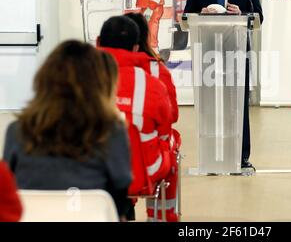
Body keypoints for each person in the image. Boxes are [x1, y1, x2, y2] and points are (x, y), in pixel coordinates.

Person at [3, 41, 132, 219]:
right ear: (97, 82)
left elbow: (9, 188)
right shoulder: (111, 130)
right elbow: (120, 192)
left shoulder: (17, 130)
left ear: (44, 79)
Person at [184, 0, 263, 171]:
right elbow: (187, 17)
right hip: (207, 52)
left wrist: (243, 14)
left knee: (237, 105)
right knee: (208, 105)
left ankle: (241, 156)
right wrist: (202, 13)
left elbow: (258, 17)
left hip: (237, 52)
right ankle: (208, 157)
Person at [97, 15, 178, 221]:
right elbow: (169, 121)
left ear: (98, 42)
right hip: (142, 172)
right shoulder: (153, 78)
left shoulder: (78, 76)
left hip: (90, 171)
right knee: (171, 143)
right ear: (136, 47)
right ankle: (161, 215)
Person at [125, 12, 181, 220]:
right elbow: (171, 116)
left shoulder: (100, 72)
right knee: (170, 146)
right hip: (148, 163)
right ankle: (161, 215)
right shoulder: (158, 71)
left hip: (105, 162)